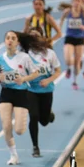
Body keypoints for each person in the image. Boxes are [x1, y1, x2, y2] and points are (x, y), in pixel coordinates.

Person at [0, 30, 47, 165]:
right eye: (8, 38)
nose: (10, 40)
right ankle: (13, 155)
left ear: (17, 42)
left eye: (13, 38)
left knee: (19, 130)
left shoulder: (24, 57)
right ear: (5, 41)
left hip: (21, 93)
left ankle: (22, 121)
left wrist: (23, 78)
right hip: (6, 93)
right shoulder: (0, 60)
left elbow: (36, 72)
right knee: (6, 126)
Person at [25, 27, 62, 157]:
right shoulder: (26, 54)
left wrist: (49, 80)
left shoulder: (49, 53)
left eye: (36, 35)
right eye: (31, 36)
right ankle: (35, 146)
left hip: (46, 89)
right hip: (31, 89)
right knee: (33, 116)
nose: (34, 38)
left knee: (44, 121)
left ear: (41, 37)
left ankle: (48, 115)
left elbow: (58, 71)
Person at [58, 0, 84, 90]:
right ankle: (69, 68)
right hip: (69, 37)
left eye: (79, 1)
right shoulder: (67, 11)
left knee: (77, 62)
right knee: (68, 59)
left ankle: (75, 81)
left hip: (80, 39)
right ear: (72, 2)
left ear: (81, 2)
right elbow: (61, 20)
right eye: (75, 0)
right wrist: (59, 30)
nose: (77, 2)